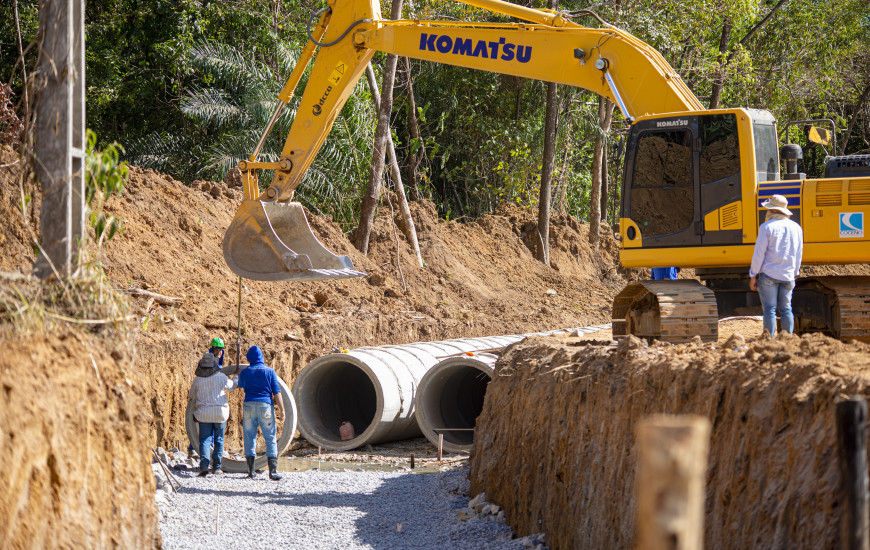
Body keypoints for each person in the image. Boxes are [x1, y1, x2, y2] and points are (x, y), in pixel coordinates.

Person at [749, 194, 803, 336]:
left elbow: (759, 253)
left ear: (771, 210)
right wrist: (795, 272)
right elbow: (799, 253)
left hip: (769, 275)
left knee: (769, 310)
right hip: (788, 275)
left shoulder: (766, 227)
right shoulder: (796, 228)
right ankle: (787, 338)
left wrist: (753, 274)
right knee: (786, 309)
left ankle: (769, 339)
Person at [237, 345, 284, 480]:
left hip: (249, 406)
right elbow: (277, 392)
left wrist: (238, 374)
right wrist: (282, 410)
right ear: (261, 357)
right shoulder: (269, 371)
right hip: (265, 406)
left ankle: (251, 472)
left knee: (249, 436)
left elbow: (240, 385)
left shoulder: (246, 372)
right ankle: (273, 472)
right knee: (270, 437)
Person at [187, 352, 237, 476]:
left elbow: (191, 396)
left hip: (203, 414)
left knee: (204, 439)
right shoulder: (221, 377)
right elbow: (232, 386)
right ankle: (217, 467)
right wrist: (236, 377)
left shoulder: (197, 380)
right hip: (220, 413)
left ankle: (204, 465)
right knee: (219, 439)